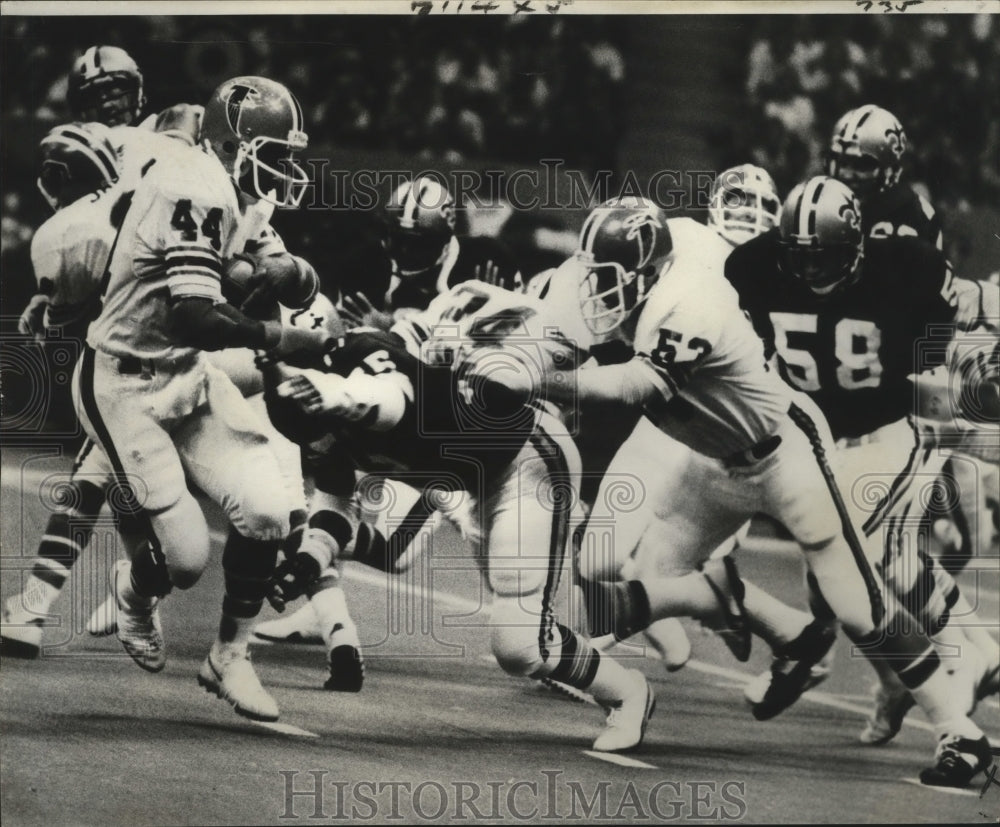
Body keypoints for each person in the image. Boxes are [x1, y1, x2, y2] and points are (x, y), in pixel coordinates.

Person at [524, 195, 992, 788]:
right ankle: (739, 608)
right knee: (627, 579)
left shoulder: (686, 305)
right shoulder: (724, 258)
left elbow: (631, 384)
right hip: (714, 461)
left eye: (823, 260)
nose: (809, 271)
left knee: (856, 604)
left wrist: (541, 376)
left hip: (786, 453)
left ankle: (959, 731)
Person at [259, 278, 658, 753]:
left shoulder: (362, 375)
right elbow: (336, 497)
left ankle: (628, 691)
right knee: (522, 631)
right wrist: (311, 556)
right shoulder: (315, 402)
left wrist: (334, 396)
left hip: (523, 461)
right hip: (467, 475)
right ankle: (596, 640)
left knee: (520, 645)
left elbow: (390, 397)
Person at [72, 75, 329, 723]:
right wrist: (277, 335)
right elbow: (194, 316)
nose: (286, 167)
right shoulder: (194, 184)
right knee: (185, 560)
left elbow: (293, 280)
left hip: (186, 371)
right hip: (124, 379)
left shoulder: (238, 189)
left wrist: (291, 275)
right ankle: (132, 593)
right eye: (275, 150)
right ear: (232, 143)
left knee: (269, 509)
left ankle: (229, 656)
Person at [726, 174, 999, 749]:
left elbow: (965, 325)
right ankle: (895, 678)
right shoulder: (754, 268)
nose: (810, 272)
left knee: (870, 567)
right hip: (820, 445)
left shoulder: (905, 271)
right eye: (800, 257)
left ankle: (962, 668)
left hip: (890, 435)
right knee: (845, 579)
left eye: (822, 257)